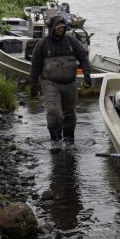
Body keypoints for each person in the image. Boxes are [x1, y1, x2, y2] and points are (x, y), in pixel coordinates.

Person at [30, 14, 91, 145]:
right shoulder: (42, 44)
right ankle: (55, 141)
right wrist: (33, 84)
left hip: (70, 83)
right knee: (54, 113)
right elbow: (35, 65)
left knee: (69, 114)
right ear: (51, 28)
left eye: (62, 27)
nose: (60, 29)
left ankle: (69, 141)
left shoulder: (71, 41)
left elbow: (83, 58)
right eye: (58, 27)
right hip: (50, 83)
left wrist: (87, 74)